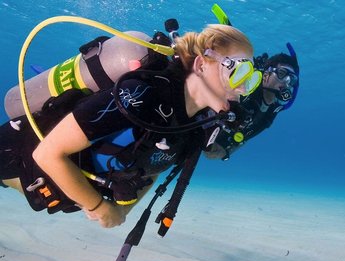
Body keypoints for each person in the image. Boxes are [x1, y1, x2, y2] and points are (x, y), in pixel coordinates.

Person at [0, 24, 261, 228]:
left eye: (251, 79)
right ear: (202, 64)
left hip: (45, 182)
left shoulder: (192, 127)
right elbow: (46, 153)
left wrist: (124, 209)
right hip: (17, 153)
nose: (242, 89)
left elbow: (156, 165)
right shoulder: (138, 96)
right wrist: (99, 208)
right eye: (238, 72)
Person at [204, 44, 300, 160]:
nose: (287, 82)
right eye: (282, 73)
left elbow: (243, 137)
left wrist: (228, 149)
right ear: (266, 75)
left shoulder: (273, 109)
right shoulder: (245, 83)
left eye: (292, 79)